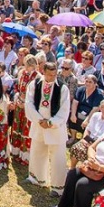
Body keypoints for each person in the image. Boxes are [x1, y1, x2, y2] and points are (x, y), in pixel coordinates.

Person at [25, 62, 71, 195]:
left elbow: (64, 109)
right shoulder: (34, 84)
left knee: (58, 157)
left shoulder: (62, 88)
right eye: (49, 74)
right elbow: (29, 103)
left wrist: (51, 122)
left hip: (54, 128)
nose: (52, 77)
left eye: (54, 74)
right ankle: (37, 177)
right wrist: (39, 119)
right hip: (39, 124)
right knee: (37, 151)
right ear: (43, 71)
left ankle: (58, 186)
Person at [9, 54, 38, 166]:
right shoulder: (22, 73)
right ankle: (15, 150)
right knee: (17, 126)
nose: (27, 68)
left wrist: (25, 104)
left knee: (26, 128)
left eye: (29, 66)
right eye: (26, 65)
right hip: (19, 102)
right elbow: (17, 87)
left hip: (29, 106)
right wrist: (17, 99)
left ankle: (25, 155)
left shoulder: (38, 77)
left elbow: (36, 95)